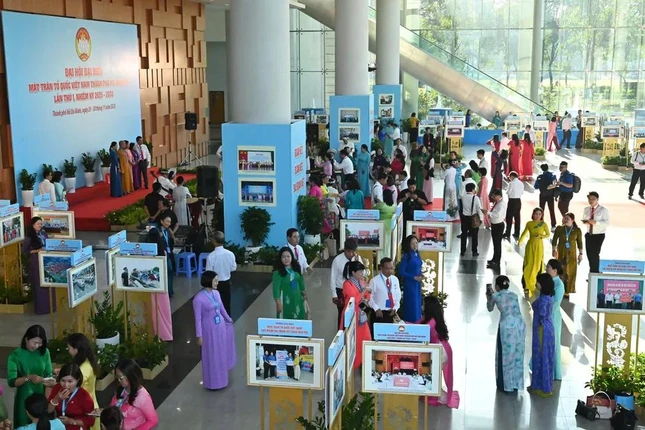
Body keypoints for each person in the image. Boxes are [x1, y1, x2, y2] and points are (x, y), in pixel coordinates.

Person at [194, 270, 236, 390]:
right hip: (209, 330)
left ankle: (222, 380)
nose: (217, 283)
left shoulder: (216, 293)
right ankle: (212, 382)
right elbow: (198, 319)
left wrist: (229, 319)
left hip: (220, 327)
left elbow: (222, 309)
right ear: (208, 281)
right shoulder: (198, 299)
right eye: (215, 280)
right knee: (211, 354)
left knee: (221, 352)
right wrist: (199, 335)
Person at [8, 326, 56, 428]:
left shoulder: (45, 352)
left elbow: (48, 374)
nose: (37, 346)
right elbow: (11, 382)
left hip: (40, 399)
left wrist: (50, 382)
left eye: (40, 343)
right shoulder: (16, 355)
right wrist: (28, 378)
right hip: (23, 398)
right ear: (26, 339)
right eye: (34, 342)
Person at [486, 275, 525, 393]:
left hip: (507, 327)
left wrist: (489, 297)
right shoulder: (514, 295)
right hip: (520, 325)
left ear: (497, 286)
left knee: (505, 355)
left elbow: (490, 308)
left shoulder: (496, 295)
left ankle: (505, 385)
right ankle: (516, 384)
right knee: (517, 355)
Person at [421, 295, 457, 408]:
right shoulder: (428, 318)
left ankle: (438, 396)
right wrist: (401, 322)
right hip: (439, 349)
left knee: (433, 372)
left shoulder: (432, 321)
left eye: (423, 305)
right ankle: (435, 394)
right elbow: (415, 325)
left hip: (441, 350)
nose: (422, 307)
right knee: (433, 372)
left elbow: (421, 330)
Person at [146, 212, 174, 340]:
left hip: (166, 256)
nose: (169, 224)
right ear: (161, 221)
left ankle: (170, 290)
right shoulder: (155, 232)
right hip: (161, 260)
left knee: (170, 272)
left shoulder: (165, 232)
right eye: (167, 221)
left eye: (170, 222)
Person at [110, 359, 158, 430]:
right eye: (117, 377)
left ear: (130, 376)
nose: (118, 380)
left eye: (121, 378)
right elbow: (112, 407)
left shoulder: (142, 397)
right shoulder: (121, 389)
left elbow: (153, 420)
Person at [528, 273, 556, 397]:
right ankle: (545, 385)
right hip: (549, 328)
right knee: (547, 356)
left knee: (540, 356)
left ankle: (540, 386)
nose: (536, 284)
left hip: (542, 330)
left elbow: (542, 315)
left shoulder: (543, 299)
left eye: (538, 282)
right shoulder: (549, 296)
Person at [341, 260, 372, 369]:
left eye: (362, 271)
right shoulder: (347, 284)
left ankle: (364, 361)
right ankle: (353, 364)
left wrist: (367, 297)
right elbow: (354, 299)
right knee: (353, 340)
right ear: (353, 273)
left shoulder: (361, 281)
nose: (362, 273)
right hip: (352, 315)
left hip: (361, 314)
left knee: (366, 338)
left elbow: (367, 295)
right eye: (360, 272)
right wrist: (364, 291)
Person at [66, 333, 99, 430]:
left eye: (69, 348)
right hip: (90, 403)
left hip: (87, 407)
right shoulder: (87, 361)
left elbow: (71, 386)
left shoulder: (83, 369)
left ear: (75, 349)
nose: (68, 351)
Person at [46, 363, 95, 429]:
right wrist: (56, 399)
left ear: (77, 380)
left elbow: (91, 421)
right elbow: (48, 411)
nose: (66, 385)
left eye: (70, 381)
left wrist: (71, 421)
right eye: (63, 381)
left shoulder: (84, 396)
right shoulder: (57, 388)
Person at [22, 217, 55, 315]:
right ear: (33, 225)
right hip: (36, 261)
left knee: (49, 281)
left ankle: (51, 306)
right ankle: (41, 308)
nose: (40, 225)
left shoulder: (43, 234)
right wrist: (37, 250)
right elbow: (26, 251)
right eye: (38, 224)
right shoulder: (29, 238)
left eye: (41, 224)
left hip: (46, 260)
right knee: (39, 283)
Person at [518, 208, 550, 296]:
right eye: (536, 214)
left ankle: (535, 283)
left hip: (539, 246)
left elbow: (548, 234)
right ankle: (527, 285)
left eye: (540, 214)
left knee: (537, 265)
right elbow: (524, 233)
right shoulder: (529, 223)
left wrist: (541, 236)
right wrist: (520, 241)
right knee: (529, 264)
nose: (538, 216)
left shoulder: (543, 224)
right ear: (533, 214)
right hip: (530, 246)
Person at [205, 231, 237, 315]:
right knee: (226, 305)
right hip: (226, 283)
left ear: (214, 241)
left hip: (215, 284)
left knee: (216, 305)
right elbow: (233, 268)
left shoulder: (211, 256)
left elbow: (208, 272)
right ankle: (227, 321)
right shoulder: (230, 254)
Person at [552, 213, 583, 296]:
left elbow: (580, 243)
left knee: (570, 271)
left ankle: (568, 290)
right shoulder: (559, 228)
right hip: (561, 253)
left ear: (572, 220)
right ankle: (559, 289)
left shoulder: (577, 230)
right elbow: (554, 240)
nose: (565, 220)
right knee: (560, 271)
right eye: (564, 218)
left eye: (567, 219)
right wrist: (554, 250)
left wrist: (581, 254)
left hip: (571, 255)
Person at [273, 247, 307, 319]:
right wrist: (278, 302)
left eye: (288, 256)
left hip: (297, 298)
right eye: (283, 257)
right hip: (285, 300)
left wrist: (304, 293)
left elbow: (301, 281)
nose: (286, 259)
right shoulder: (277, 273)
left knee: (299, 317)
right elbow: (276, 289)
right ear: (280, 258)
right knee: (286, 320)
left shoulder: (296, 268)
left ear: (292, 257)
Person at [330, 239, 358, 328]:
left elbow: (363, 274)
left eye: (353, 251)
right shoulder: (337, 260)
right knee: (342, 313)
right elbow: (333, 277)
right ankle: (341, 332)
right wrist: (334, 294)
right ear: (345, 250)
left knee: (354, 312)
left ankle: (352, 332)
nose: (351, 254)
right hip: (341, 291)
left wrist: (357, 263)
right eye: (349, 251)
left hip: (354, 290)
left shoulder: (357, 258)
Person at [581, 191, 609, 273]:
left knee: (594, 254)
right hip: (589, 234)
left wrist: (596, 222)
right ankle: (592, 272)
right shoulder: (586, 209)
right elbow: (584, 219)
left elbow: (606, 223)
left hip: (598, 235)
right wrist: (586, 222)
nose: (591, 201)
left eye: (593, 199)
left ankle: (595, 272)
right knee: (589, 255)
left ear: (597, 199)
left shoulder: (603, 210)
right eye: (589, 199)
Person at [546, 259, 565, 380]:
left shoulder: (559, 285)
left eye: (548, 267)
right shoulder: (548, 282)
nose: (546, 269)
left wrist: (544, 313)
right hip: (545, 316)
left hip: (553, 317)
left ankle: (554, 372)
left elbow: (555, 304)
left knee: (553, 343)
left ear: (555, 270)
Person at [368, 258, 401, 325]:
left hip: (391, 312)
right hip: (379, 313)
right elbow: (369, 297)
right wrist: (376, 309)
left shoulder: (395, 279)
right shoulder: (374, 281)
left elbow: (398, 295)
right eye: (387, 268)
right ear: (381, 268)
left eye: (391, 268)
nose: (390, 271)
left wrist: (395, 308)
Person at [399, 235, 423, 322]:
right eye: (412, 244)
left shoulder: (417, 254)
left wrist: (421, 274)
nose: (415, 245)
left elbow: (418, 267)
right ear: (408, 245)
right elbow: (401, 271)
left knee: (417, 303)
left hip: (417, 283)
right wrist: (413, 277)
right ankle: (411, 323)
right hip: (410, 283)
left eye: (416, 243)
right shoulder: (407, 256)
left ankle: (418, 322)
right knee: (412, 304)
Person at [483, 189, 506, 269]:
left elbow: (497, 214)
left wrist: (487, 212)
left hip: (498, 225)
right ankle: (494, 259)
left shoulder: (501, 204)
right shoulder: (498, 203)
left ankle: (496, 261)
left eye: (494, 196)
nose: (493, 197)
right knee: (495, 243)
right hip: (495, 224)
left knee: (497, 244)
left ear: (499, 195)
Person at [460, 183, 482, 257]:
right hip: (473, 218)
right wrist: (481, 218)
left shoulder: (463, 197)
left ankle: (462, 251)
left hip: (464, 218)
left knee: (464, 234)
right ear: (473, 189)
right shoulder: (475, 198)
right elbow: (479, 209)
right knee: (474, 235)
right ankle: (474, 251)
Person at [373, 189, 396, 258]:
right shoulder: (394, 205)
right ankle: (388, 256)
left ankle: (381, 258)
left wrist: (376, 202)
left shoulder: (381, 205)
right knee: (388, 243)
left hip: (382, 225)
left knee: (382, 243)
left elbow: (373, 209)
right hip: (391, 225)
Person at [534, 164, 557, 230]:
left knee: (541, 210)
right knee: (551, 210)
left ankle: (540, 224)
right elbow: (555, 184)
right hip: (550, 195)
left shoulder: (539, 177)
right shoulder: (552, 175)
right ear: (548, 168)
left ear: (541, 169)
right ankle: (553, 225)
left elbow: (535, 187)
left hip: (542, 195)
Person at [503, 172, 524, 239]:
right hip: (518, 201)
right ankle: (517, 233)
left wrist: (506, 190)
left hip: (512, 201)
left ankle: (507, 233)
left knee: (509, 217)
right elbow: (522, 192)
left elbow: (508, 192)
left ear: (512, 176)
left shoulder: (511, 183)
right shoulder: (521, 183)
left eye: (509, 177)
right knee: (517, 217)